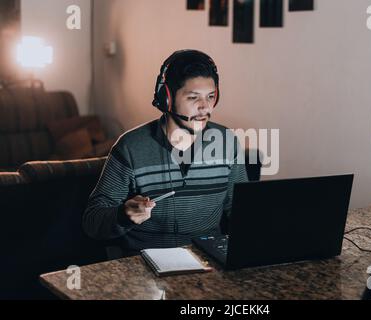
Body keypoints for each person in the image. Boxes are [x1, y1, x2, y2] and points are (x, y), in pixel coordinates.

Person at [83, 50, 248, 255]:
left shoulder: (227, 141)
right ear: (167, 98)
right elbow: (93, 221)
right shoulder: (131, 147)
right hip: (143, 266)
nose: (205, 107)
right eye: (193, 97)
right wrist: (123, 215)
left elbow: (243, 212)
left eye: (211, 97)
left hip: (208, 262)